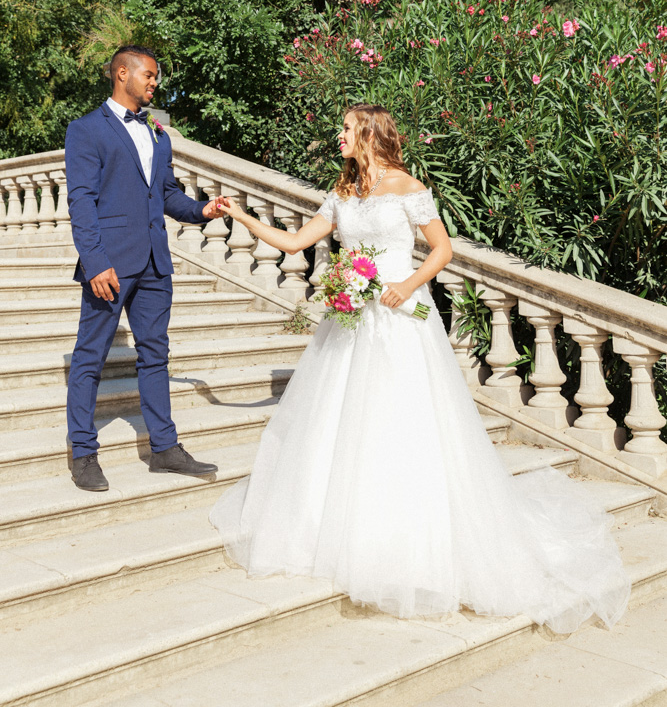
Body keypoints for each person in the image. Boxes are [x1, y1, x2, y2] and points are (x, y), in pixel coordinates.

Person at [209, 103, 630, 633]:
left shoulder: (408, 187)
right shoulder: (342, 193)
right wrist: (240, 216)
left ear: (368, 134)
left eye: (345, 129)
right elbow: (295, 243)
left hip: (403, 319)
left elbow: (442, 249)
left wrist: (407, 284)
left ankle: (410, 537)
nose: (338, 136)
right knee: (341, 426)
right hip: (350, 323)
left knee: (402, 421)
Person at [65, 45, 221, 491]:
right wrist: (95, 262)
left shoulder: (158, 134)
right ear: (121, 73)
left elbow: (167, 194)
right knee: (90, 357)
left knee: (155, 354)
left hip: (155, 262)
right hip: (110, 264)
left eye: (156, 76)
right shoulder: (86, 130)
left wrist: (201, 210)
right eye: (148, 75)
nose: (154, 82)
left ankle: (164, 448)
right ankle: (83, 452)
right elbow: (82, 202)